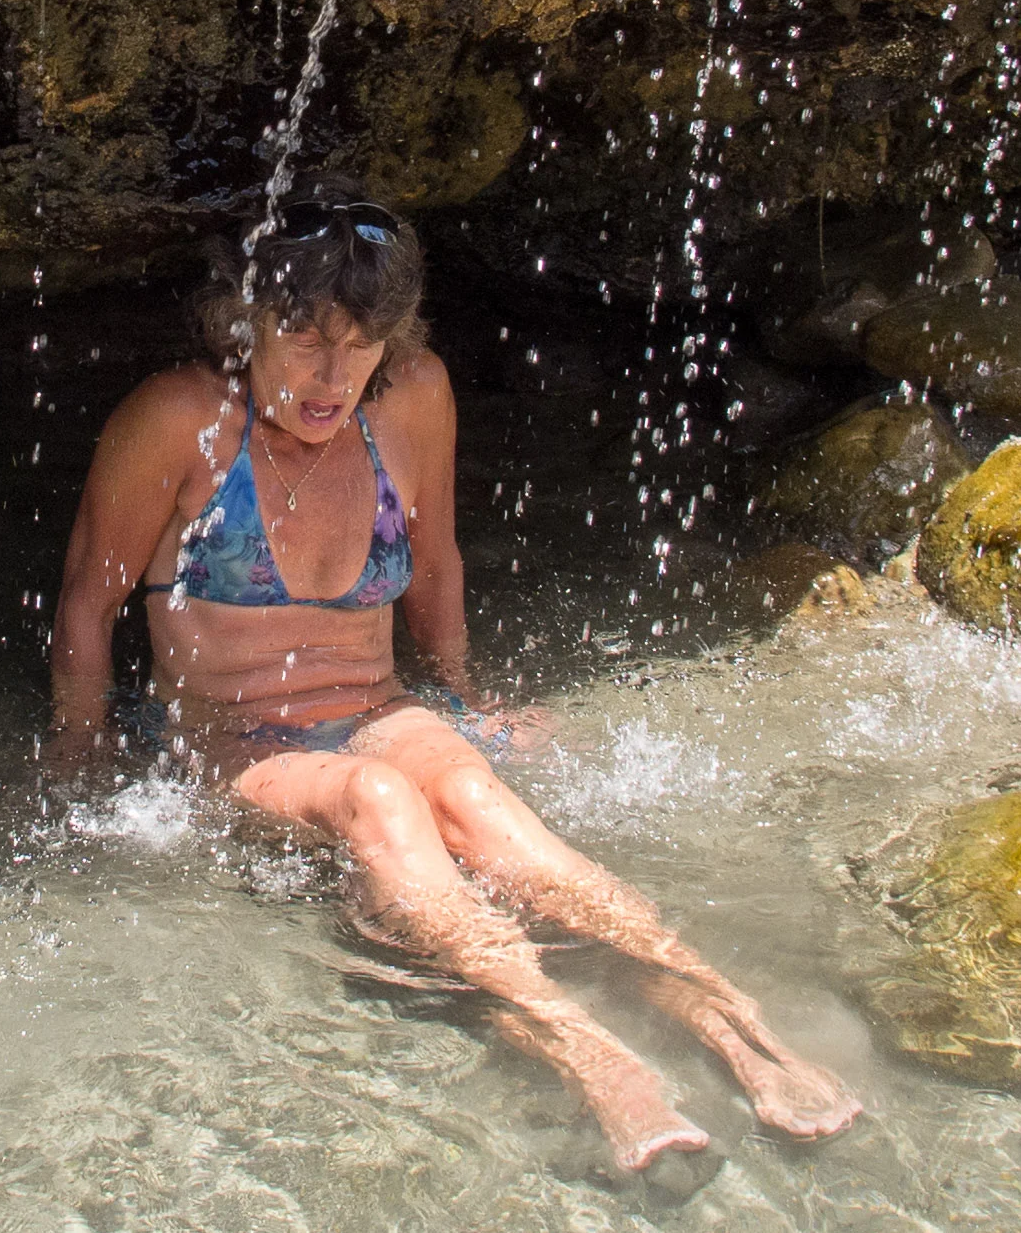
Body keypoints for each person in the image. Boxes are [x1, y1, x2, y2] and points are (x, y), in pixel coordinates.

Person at [46, 184, 859, 1176]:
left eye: (363, 341)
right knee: (375, 797)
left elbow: (435, 566)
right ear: (241, 319)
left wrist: (467, 700)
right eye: (303, 335)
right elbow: (90, 600)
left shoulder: (415, 396)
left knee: (475, 793)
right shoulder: (180, 420)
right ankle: (579, 1044)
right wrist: (77, 759)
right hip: (235, 738)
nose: (332, 374)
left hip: (377, 703)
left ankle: (733, 1018)